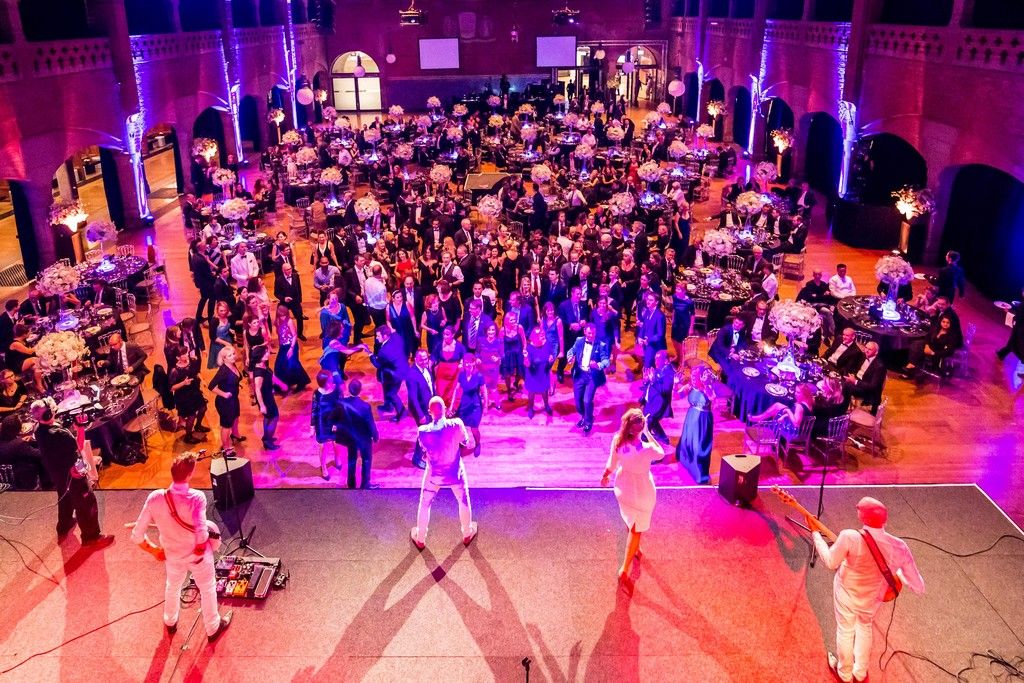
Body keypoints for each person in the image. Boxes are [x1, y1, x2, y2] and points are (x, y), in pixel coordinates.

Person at [810, 497, 925, 683]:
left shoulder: (849, 536)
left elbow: (831, 561)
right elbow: (918, 585)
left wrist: (815, 533)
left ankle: (845, 674)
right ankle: (861, 672)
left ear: (862, 516)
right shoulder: (899, 546)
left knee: (845, 631)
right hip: (872, 599)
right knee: (865, 628)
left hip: (846, 594)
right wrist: (899, 578)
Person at [129, 451, 232, 642]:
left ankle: (170, 622)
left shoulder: (155, 498)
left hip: (172, 556)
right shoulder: (196, 498)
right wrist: (201, 550)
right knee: (207, 588)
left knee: (173, 586)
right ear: (190, 474)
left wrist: (154, 550)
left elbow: (136, 535)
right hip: (197, 556)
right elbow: (201, 531)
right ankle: (212, 628)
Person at [31, 398, 114, 547]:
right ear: (49, 413)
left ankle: (64, 524)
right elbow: (79, 445)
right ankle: (91, 537)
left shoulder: (38, 429)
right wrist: (80, 428)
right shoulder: (60, 434)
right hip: (73, 472)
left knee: (65, 496)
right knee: (86, 501)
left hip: (56, 472)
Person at [600, 408, 664, 587]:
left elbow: (611, 465)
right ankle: (624, 569)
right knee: (636, 529)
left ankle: (636, 547)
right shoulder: (648, 449)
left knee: (632, 521)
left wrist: (604, 476)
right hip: (641, 493)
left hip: (624, 488)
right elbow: (662, 452)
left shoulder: (618, 441)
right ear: (640, 428)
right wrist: (648, 434)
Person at [410, 396, 478, 549]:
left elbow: (424, 452)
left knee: (425, 503)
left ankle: (420, 538)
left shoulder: (422, 432)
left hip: (434, 475)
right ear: (446, 410)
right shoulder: (456, 425)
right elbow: (466, 443)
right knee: (463, 500)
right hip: (455, 473)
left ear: (429, 412)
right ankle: (467, 534)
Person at [674, 364, 716, 484]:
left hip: (703, 420)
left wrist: (706, 385)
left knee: (700, 447)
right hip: (691, 417)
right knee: (688, 442)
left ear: (701, 377)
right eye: (691, 375)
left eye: (695, 376)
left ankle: (700, 475)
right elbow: (676, 396)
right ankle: (687, 463)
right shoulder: (690, 387)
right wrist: (675, 385)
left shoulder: (708, 388)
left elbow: (713, 399)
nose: (692, 378)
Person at [566, 323, 610, 434]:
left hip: (592, 377)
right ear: (585, 332)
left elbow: (606, 361)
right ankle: (584, 416)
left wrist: (598, 365)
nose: (591, 335)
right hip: (580, 375)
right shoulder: (579, 341)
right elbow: (571, 351)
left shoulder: (601, 345)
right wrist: (570, 357)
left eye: (593, 333)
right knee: (578, 401)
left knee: (587, 400)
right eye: (589, 333)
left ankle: (588, 422)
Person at [336, 379, 378, 488]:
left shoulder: (342, 403)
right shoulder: (365, 406)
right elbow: (370, 423)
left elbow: (337, 419)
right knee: (366, 459)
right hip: (364, 439)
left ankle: (351, 483)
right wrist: (375, 436)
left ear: (349, 390)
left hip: (350, 438)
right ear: (360, 390)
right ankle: (365, 483)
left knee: (351, 459)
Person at [168, 348, 209, 444]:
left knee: (203, 408)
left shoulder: (192, 362)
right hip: (183, 396)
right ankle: (188, 436)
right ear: (178, 357)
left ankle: (198, 426)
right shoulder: (174, 370)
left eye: (187, 352)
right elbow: (171, 388)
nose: (187, 354)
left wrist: (202, 380)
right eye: (184, 354)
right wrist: (183, 383)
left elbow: (197, 372)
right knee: (191, 416)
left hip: (194, 391)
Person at [208, 346, 244, 452]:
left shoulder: (232, 365)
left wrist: (236, 384)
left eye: (233, 353)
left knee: (236, 418)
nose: (233, 356)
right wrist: (223, 394)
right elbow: (211, 386)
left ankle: (235, 435)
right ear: (224, 358)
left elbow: (233, 379)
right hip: (225, 402)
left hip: (233, 399)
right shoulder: (223, 370)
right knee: (226, 426)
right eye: (230, 355)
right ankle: (226, 448)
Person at [450, 353, 487, 457]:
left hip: (475, 406)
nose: (468, 365)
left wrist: (485, 406)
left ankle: (478, 444)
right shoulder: (461, 375)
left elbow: (484, 392)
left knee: (474, 428)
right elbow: (456, 390)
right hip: (464, 404)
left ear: (474, 362)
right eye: (466, 362)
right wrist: (451, 406)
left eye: (470, 362)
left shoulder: (479, 376)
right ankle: (462, 445)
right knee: (461, 427)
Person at [251, 345, 286, 450]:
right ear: (260, 356)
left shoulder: (263, 365)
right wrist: (261, 405)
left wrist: (281, 384)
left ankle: (267, 437)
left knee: (268, 417)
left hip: (268, 395)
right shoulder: (258, 372)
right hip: (265, 398)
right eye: (265, 352)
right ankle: (267, 441)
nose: (268, 353)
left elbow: (271, 376)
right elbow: (257, 389)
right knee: (274, 417)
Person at [407, 350, 437, 469]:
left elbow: (430, 387)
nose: (425, 361)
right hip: (420, 409)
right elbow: (413, 398)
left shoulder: (426, 369)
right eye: (422, 359)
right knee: (424, 432)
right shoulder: (412, 375)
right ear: (416, 359)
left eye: (426, 359)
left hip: (429, 407)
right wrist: (420, 415)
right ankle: (416, 458)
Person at [370, 325, 407, 421]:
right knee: (386, 389)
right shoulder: (396, 337)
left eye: (378, 336)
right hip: (400, 368)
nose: (376, 338)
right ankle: (388, 406)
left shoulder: (384, 351)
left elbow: (378, 364)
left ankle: (402, 412)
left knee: (391, 393)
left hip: (395, 374)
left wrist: (371, 355)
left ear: (385, 336)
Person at [640, 350, 675, 444]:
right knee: (653, 422)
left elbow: (665, 390)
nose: (656, 362)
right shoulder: (659, 369)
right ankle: (663, 438)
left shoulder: (669, 373)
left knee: (648, 423)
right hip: (651, 402)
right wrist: (646, 380)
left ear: (666, 361)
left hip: (658, 404)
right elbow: (650, 383)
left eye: (659, 359)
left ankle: (645, 444)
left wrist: (654, 380)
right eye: (655, 359)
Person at [274, 305, 311, 392]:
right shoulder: (277, 321)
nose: (283, 317)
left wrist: (291, 348)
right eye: (281, 315)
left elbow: (294, 335)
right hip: (283, 346)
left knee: (293, 364)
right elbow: (279, 335)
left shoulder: (289, 321)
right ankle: (282, 384)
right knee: (279, 365)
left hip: (291, 345)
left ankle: (301, 382)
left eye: (284, 315)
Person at [844, 341, 886, 412]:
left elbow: (873, 386)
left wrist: (855, 382)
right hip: (859, 381)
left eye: (870, 349)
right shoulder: (863, 356)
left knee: (845, 386)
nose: (866, 350)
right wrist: (853, 375)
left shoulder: (880, 366)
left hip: (867, 391)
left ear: (876, 352)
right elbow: (856, 368)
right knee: (841, 378)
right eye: (866, 348)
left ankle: (841, 410)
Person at [524, 326, 554, 418]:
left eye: (543, 335)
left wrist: (551, 360)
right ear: (535, 337)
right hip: (533, 374)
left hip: (543, 371)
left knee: (545, 390)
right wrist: (525, 358)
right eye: (541, 336)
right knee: (532, 392)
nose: (543, 337)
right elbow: (527, 364)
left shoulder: (547, 344)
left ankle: (546, 405)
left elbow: (551, 354)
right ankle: (530, 408)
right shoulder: (529, 348)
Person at [274, 261, 306, 340]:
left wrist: (299, 300)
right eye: (287, 270)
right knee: (283, 319)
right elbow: (276, 293)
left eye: (290, 269)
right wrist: (284, 298)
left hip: (295, 301)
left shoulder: (295, 276)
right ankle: (286, 333)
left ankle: (300, 333)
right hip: (285, 303)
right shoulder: (279, 280)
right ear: (283, 270)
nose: (290, 271)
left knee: (299, 317)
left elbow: (299, 288)